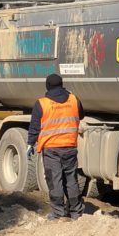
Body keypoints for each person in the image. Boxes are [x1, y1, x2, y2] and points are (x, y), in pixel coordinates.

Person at [27, 73, 85, 220]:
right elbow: (82, 114)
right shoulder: (74, 99)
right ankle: (76, 212)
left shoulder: (42, 103)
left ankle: (58, 213)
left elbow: (34, 127)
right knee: (71, 179)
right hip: (70, 146)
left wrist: (30, 143)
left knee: (55, 180)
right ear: (61, 84)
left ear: (47, 86)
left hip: (51, 148)